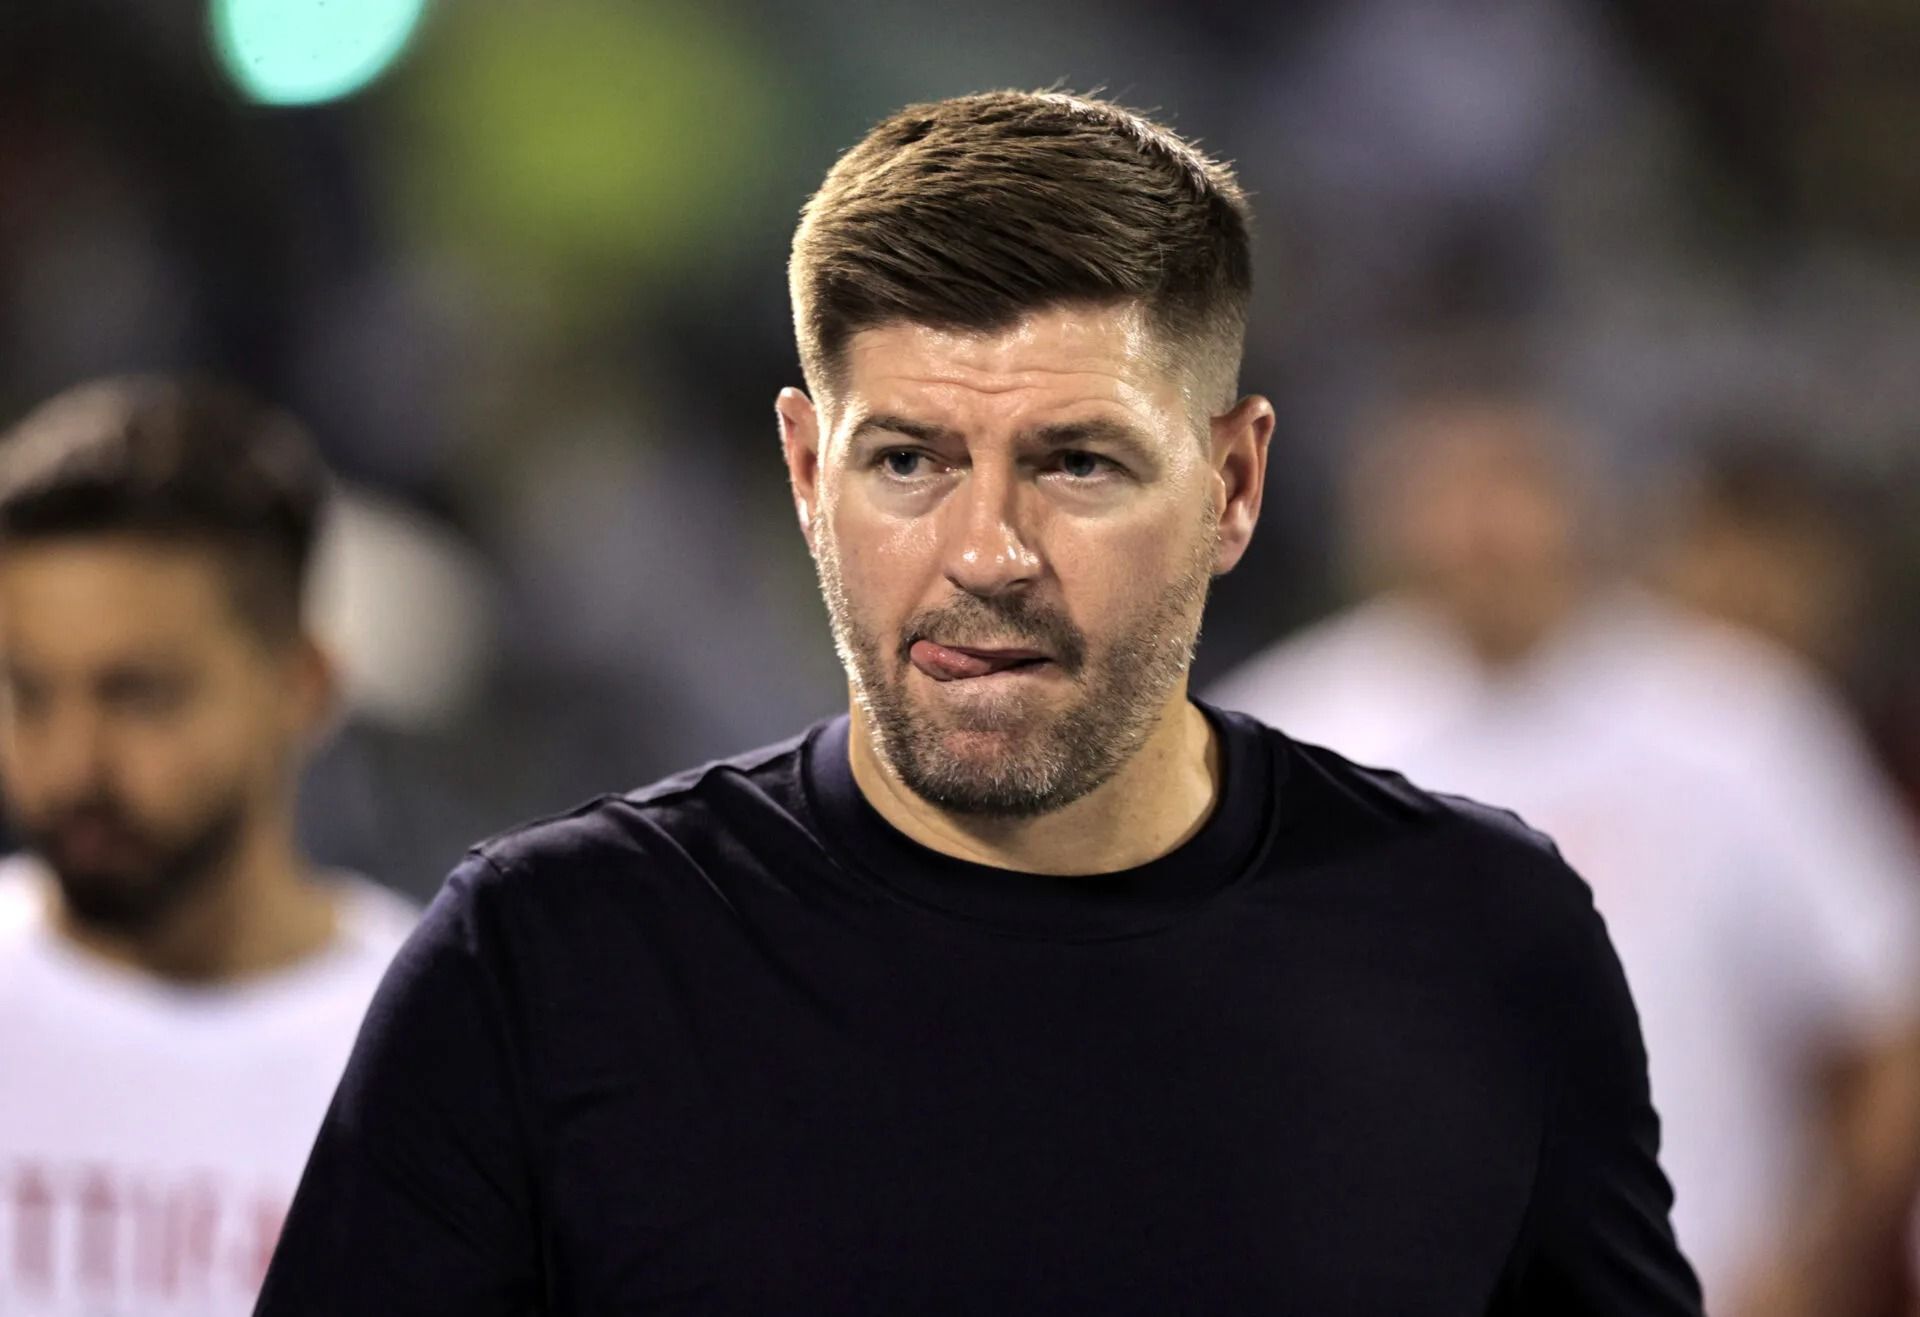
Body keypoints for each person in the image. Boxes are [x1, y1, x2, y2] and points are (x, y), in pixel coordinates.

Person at [257, 91, 1701, 1315]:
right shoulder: (545, 965)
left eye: (1077, 462)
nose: (987, 553)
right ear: (806, 475)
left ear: (1234, 485)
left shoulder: (1485, 940)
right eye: (908, 463)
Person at [1209, 384, 1920, 1315]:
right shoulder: (1289, 731)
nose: (1484, 530)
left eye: (1513, 486)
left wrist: (1812, 1262)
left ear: (1587, 501)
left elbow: (1884, 1015)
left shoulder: (1735, 718)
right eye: (1447, 492)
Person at [0, 376, 416, 1316]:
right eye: (29, 693)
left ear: (303, 684)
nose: (72, 764)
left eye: (140, 694)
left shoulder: (438, 1051)